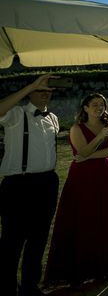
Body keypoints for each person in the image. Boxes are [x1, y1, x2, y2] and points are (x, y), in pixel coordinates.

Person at [44, 93, 108, 287]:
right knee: (83, 219)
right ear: (85, 108)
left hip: (106, 175)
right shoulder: (76, 128)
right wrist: (101, 137)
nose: (99, 108)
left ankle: (104, 268)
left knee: (105, 217)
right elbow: (82, 151)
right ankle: (78, 271)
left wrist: (89, 154)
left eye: (102, 105)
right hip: (83, 178)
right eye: (94, 104)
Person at [0, 75, 60, 296]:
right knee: (11, 242)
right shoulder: (16, 114)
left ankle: (29, 286)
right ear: (31, 91)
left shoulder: (53, 117)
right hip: (18, 186)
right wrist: (31, 86)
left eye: (49, 89)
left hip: (47, 184)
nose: (46, 92)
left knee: (38, 239)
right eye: (41, 89)